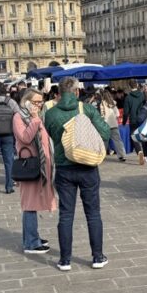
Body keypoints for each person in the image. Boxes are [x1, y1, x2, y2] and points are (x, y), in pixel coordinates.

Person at [43, 77, 112, 272]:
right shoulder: (87, 109)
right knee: (93, 213)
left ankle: (65, 260)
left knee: (66, 215)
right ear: (76, 92)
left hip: (64, 169)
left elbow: (49, 136)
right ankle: (97, 257)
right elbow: (106, 133)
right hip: (88, 167)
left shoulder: (51, 113)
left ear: (58, 93)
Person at [13, 89, 56, 255]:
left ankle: (32, 237)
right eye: (37, 102)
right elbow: (25, 138)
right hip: (30, 166)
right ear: (27, 101)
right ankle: (31, 243)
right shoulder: (19, 116)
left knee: (32, 203)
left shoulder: (32, 116)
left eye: (41, 101)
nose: (40, 104)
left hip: (40, 164)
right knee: (30, 204)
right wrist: (35, 119)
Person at [122, 80, 147, 165]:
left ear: (130, 87)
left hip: (133, 120)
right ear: (137, 85)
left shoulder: (128, 98)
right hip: (143, 118)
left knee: (135, 138)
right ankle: (146, 156)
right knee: (143, 136)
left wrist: (124, 122)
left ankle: (139, 152)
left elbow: (125, 113)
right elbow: (146, 105)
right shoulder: (142, 95)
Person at [98, 90, 127, 162]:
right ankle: (122, 155)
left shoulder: (102, 104)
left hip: (105, 125)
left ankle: (102, 156)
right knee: (118, 140)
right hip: (114, 124)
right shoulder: (113, 103)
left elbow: (102, 115)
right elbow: (117, 114)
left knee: (104, 141)